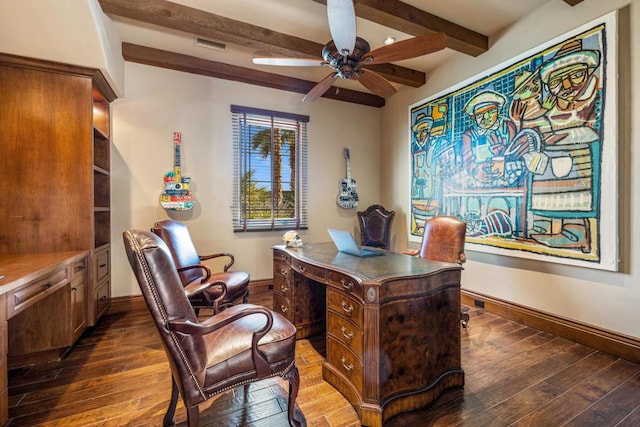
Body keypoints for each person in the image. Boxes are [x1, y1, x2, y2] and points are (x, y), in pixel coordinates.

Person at [461, 88, 517, 185]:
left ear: (498, 111)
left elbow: (516, 154)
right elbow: (467, 160)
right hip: (478, 183)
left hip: (506, 181)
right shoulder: (469, 135)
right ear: (473, 117)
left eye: (490, 111)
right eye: (479, 114)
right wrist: (476, 172)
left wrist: (504, 154)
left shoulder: (508, 127)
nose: (486, 118)